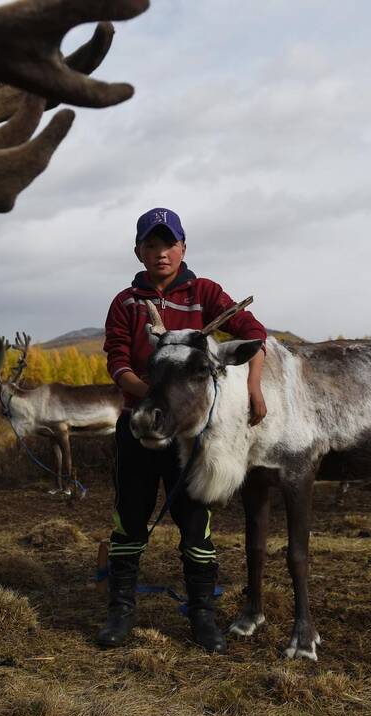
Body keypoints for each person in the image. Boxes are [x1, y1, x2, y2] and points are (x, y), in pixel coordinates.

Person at [98, 207, 267, 652]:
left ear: (183, 248)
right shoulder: (126, 303)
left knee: (196, 524)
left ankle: (201, 617)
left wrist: (254, 388)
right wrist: (153, 393)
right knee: (129, 519)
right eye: (150, 245)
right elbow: (116, 358)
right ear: (138, 251)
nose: (160, 253)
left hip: (189, 438)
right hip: (139, 425)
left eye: (168, 244)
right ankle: (120, 613)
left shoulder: (205, 293)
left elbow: (253, 332)